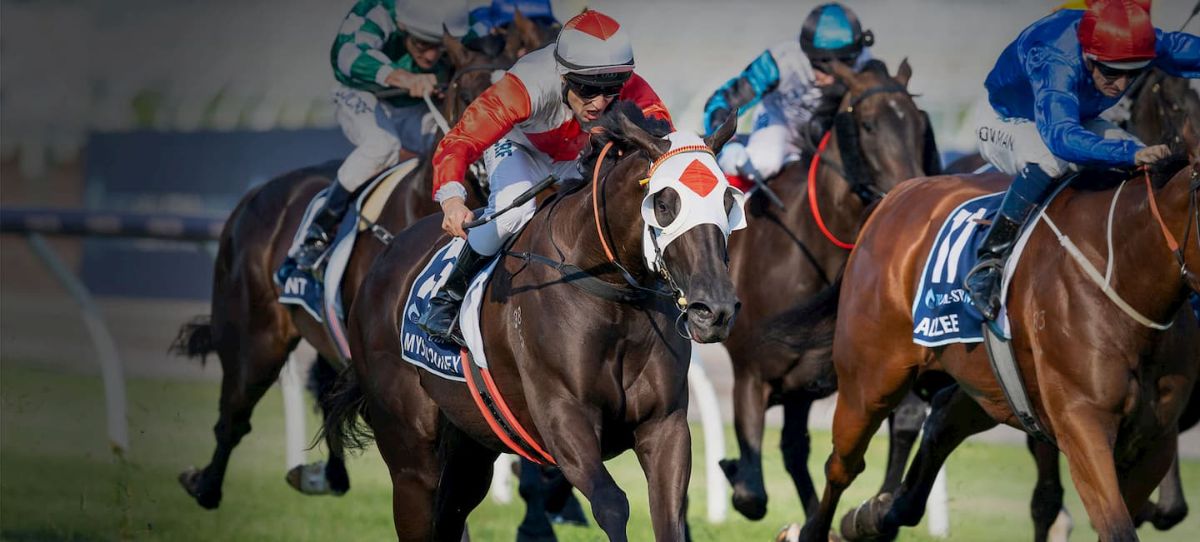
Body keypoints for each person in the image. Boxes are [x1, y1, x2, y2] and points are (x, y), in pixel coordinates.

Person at [416, 9, 673, 340]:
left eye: (611, 90)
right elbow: (461, 139)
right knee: (514, 211)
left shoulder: (630, 85)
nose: (599, 103)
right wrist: (452, 199)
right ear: (563, 77)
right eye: (587, 89)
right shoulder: (526, 84)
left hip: (575, 155)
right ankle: (448, 298)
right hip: (519, 147)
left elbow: (664, 141)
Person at [965, 0, 1200, 321]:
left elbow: (1180, 49)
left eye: (1132, 74)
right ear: (1088, 57)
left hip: (1075, 116)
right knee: (1051, 159)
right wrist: (1127, 153)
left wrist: (1133, 153)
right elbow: (1061, 138)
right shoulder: (1054, 58)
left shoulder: (1130, 39)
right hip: (1007, 118)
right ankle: (989, 261)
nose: (1120, 85)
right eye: (1111, 72)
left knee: (1143, 159)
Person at [279, 0, 472, 280]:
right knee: (382, 146)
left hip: (414, 106)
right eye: (422, 44)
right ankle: (317, 233)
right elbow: (347, 54)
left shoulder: (455, 19)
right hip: (363, 95)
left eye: (438, 46)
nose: (431, 56)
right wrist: (403, 78)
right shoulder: (377, 12)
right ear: (402, 26)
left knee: (453, 145)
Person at [701, 2, 874, 190]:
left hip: (827, 130)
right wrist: (727, 144)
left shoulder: (866, 64)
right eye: (822, 65)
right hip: (781, 121)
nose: (831, 78)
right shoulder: (781, 59)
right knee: (765, 163)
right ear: (807, 53)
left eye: (845, 63)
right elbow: (720, 102)